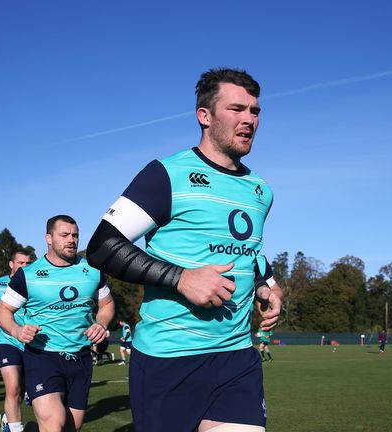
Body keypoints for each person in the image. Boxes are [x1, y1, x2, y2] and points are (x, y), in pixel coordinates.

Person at [86, 67, 282, 432]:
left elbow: (245, 253)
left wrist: (265, 286)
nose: (249, 120)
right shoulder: (167, 174)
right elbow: (102, 246)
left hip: (237, 359)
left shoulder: (260, 190)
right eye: (237, 109)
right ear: (204, 116)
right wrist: (181, 278)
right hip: (168, 360)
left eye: (255, 111)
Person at [0, 215, 114, 432]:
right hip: (43, 356)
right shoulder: (28, 275)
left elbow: (106, 305)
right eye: (64, 235)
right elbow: (2, 310)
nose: (71, 240)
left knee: (70, 428)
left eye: (75, 235)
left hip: (81, 357)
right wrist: (16, 329)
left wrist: (102, 323)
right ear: (48, 238)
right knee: (54, 423)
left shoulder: (93, 270)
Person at [0, 248, 32, 432]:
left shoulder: (36, 281)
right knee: (13, 388)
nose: (25, 266)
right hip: (7, 341)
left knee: (27, 390)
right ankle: (15, 428)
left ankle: (7, 416)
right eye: (21, 263)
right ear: (11, 264)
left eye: (28, 263)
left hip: (32, 342)